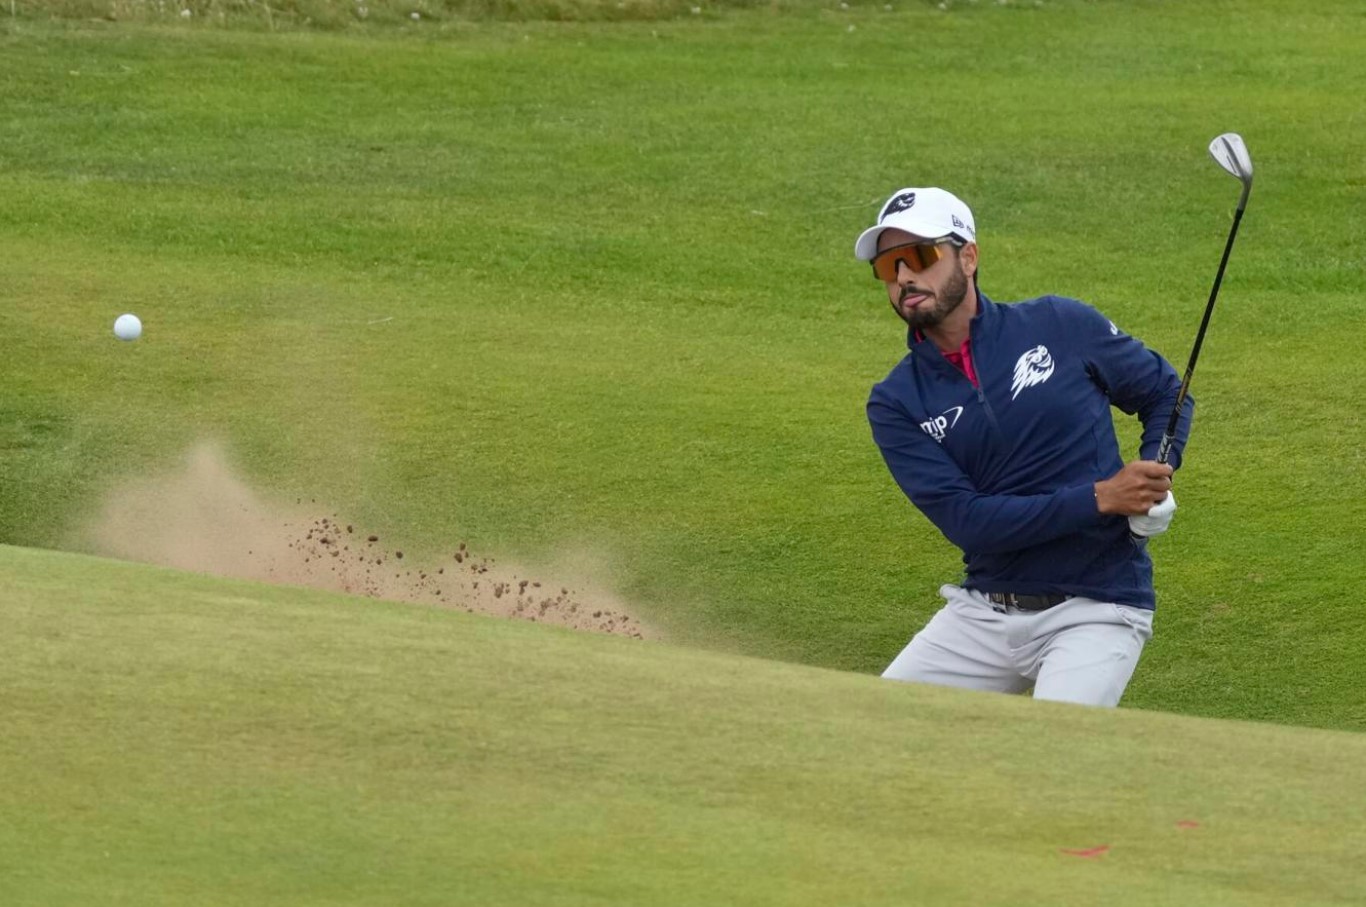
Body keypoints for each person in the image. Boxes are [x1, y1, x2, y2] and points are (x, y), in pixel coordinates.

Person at [856, 187, 1192, 708]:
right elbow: (970, 522)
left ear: (968, 257)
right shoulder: (897, 401)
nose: (903, 277)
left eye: (919, 256)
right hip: (981, 613)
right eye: (887, 266)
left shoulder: (1060, 324)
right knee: (871, 724)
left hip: (1097, 608)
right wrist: (1101, 498)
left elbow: (1165, 392)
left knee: (1052, 746)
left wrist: (1154, 474)